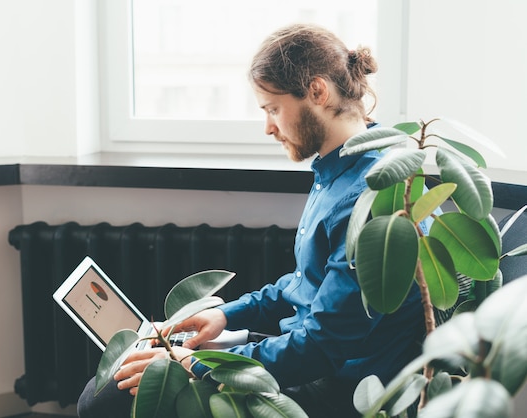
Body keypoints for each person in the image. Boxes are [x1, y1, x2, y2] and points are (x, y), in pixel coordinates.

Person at [77, 23, 425, 418]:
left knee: (103, 400)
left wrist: (196, 366)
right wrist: (226, 315)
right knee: (116, 381)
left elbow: (324, 345)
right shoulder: (339, 169)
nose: (269, 127)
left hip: (334, 385)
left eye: (273, 109)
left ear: (317, 92)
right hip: (303, 351)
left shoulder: (371, 194)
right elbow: (305, 285)